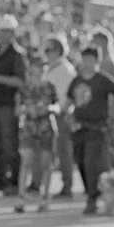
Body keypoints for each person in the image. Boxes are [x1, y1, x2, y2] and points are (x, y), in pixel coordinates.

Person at [68, 44, 114, 216]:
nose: (87, 63)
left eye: (91, 60)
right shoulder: (77, 80)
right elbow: (69, 103)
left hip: (97, 127)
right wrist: (68, 118)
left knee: (91, 162)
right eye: (85, 60)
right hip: (79, 127)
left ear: (97, 61)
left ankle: (92, 198)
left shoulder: (102, 79)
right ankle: (90, 191)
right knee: (81, 162)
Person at [0, 19, 26, 196]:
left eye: (5, 31)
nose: (1, 35)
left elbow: (20, 81)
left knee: (10, 145)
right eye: (0, 31)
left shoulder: (17, 55)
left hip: (9, 105)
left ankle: (15, 182)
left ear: (11, 34)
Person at [15, 53, 59, 213]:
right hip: (29, 128)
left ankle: (44, 198)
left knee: (46, 163)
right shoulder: (24, 89)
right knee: (26, 162)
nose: (36, 75)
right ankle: (21, 198)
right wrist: (28, 109)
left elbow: (58, 106)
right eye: (33, 72)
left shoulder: (49, 88)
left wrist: (46, 109)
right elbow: (17, 108)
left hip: (46, 127)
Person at [42, 37, 77, 199]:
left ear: (57, 51)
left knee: (64, 151)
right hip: (49, 113)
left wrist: (57, 111)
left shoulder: (64, 69)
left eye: (49, 50)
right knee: (53, 150)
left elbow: (65, 97)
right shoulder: (51, 68)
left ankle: (67, 185)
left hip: (60, 115)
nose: (46, 53)